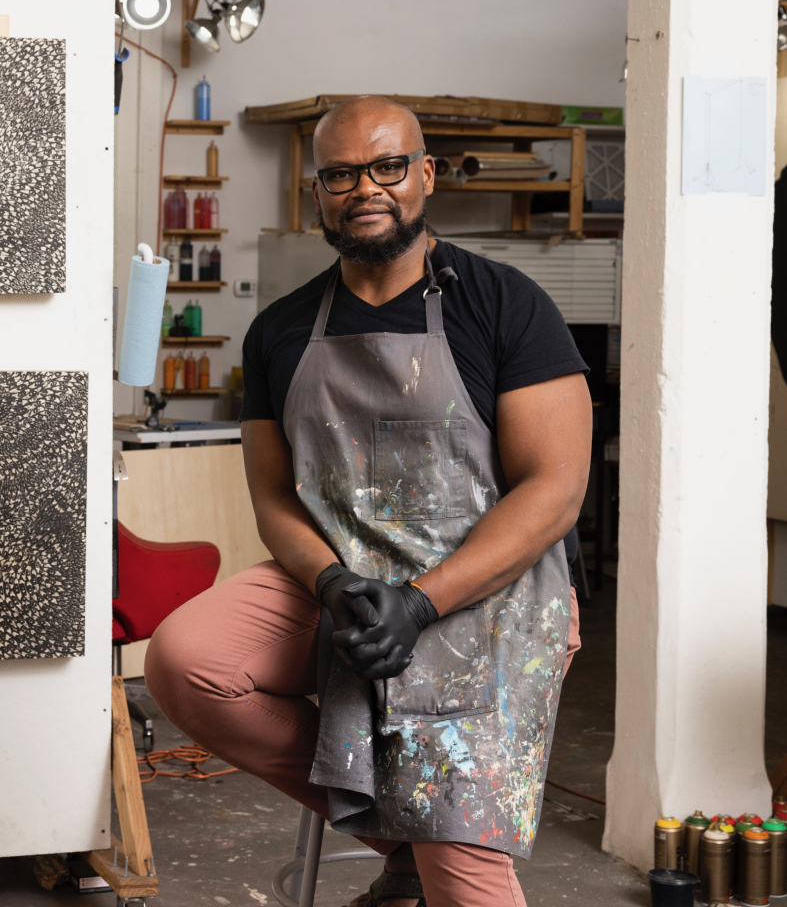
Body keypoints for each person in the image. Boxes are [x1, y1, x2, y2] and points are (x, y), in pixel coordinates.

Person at [146, 96, 592, 907]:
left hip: (489, 590)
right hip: (347, 576)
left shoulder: (505, 304)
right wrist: (330, 583)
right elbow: (275, 496)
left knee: (463, 871)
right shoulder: (280, 328)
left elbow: (554, 492)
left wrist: (420, 605)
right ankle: (405, 832)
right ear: (318, 192)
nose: (366, 188)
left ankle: (435, 842)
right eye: (341, 174)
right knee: (189, 663)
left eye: (387, 167)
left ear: (423, 175)